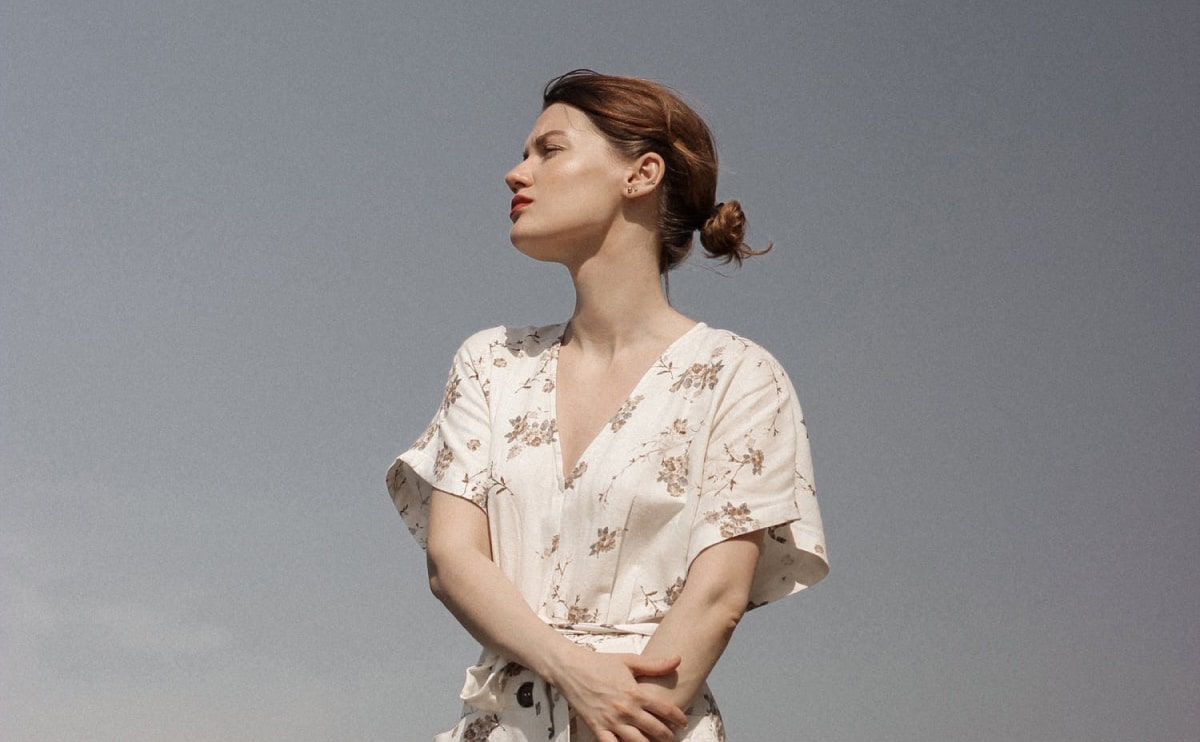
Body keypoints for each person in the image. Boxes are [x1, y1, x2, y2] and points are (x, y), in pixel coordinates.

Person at [387, 70, 828, 742]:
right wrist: (573, 670)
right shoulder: (491, 362)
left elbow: (716, 598)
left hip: (649, 725)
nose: (515, 172)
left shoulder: (737, 377)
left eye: (549, 150)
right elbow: (452, 559)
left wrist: (609, 718)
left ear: (641, 174)